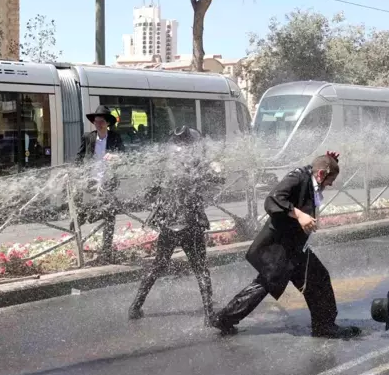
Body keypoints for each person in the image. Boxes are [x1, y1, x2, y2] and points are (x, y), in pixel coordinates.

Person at [210, 151, 362, 339]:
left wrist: (330, 159)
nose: (331, 184)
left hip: (294, 247)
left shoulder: (312, 176)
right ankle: (224, 318)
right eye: (330, 179)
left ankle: (324, 325)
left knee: (317, 279)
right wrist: (299, 214)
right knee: (266, 283)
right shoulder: (298, 177)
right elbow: (273, 199)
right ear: (321, 174)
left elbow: (321, 167)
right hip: (280, 247)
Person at [128, 126, 224, 325]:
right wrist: (216, 168)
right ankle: (208, 315)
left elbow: (150, 193)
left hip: (169, 225)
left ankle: (135, 307)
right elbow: (218, 179)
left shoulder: (166, 164)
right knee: (201, 270)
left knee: (157, 267)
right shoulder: (195, 163)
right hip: (191, 225)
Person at [74, 105, 125, 264]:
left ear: (107, 123)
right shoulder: (88, 137)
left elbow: (124, 156)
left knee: (110, 215)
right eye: (96, 122)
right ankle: (83, 218)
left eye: (101, 122)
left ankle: (106, 251)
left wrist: (115, 157)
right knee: (94, 211)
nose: (98, 124)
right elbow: (79, 158)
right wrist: (75, 173)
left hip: (107, 183)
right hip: (90, 182)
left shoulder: (115, 138)